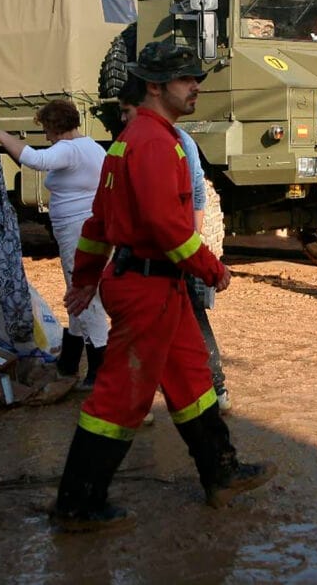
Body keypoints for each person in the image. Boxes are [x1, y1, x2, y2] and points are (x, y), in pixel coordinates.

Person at [51, 40, 274, 533]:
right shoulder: (153, 143)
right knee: (121, 396)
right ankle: (79, 503)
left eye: (196, 78)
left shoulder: (136, 138)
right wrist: (212, 268)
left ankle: (221, 473)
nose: (195, 87)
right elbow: (165, 227)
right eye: (185, 79)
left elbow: (98, 223)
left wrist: (88, 278)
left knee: (193, 380)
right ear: (154, 86)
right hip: (149, 286)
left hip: (154, 285)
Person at [0, 99, 109, 388]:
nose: (46, 136)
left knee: (86, 297)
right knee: (78, 295)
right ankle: (69, 362)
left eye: (46, 129)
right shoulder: (92, 147)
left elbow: (36, 160)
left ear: (54, 126)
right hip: (85, 229)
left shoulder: (68, 149)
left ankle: (100, 369)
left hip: (77, 232)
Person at [118, 83, 231, 415]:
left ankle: (213, 392)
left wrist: (197, 251)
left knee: (184, 327)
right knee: (182, 330)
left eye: (127, 111)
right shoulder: (134, 143)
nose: (124, 119)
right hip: (155, 260)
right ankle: (208, 397)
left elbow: (184, 203)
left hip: (158, 261)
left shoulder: (164, 142)